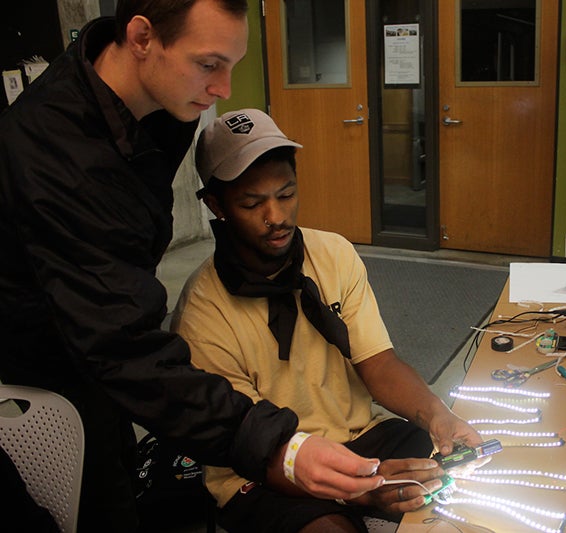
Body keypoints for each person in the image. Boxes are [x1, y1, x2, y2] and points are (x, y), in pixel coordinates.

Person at [0, 2, 387, 531]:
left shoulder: (153, 102)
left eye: (233, 63)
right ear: (140, 38)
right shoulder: (61, 155)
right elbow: (120, 345)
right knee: (99, 502)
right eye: (209, 64)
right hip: (43, 355)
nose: (224, 88)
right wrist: (280, 448)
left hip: (97, 325)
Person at [171, 108, 482, 532]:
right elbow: (248, 440)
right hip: (265, 464)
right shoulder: (202, 312)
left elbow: (377, 362)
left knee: (444, 474)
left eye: (286, 194)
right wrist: (354, 489)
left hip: (355, 437)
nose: (276, 217)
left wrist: (436, 414)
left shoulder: (333, 255)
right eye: (251, 203)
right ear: (215, 205)